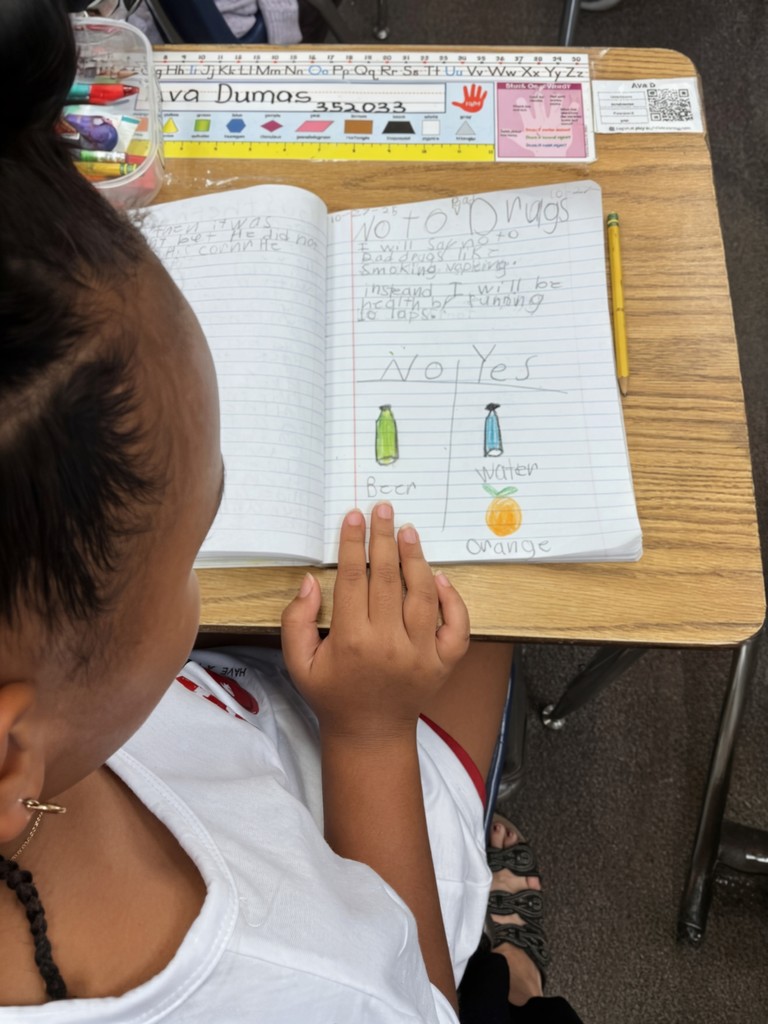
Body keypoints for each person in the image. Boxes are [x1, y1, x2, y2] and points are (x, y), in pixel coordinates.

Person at [0, 2, 582, 1020]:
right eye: (191, 550)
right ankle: (508, 963)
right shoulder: (314, 992)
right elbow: (410, 992)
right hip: (363, 791)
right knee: (497, 585)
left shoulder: (50, 714)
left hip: (224, 730)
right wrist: (365, 733)